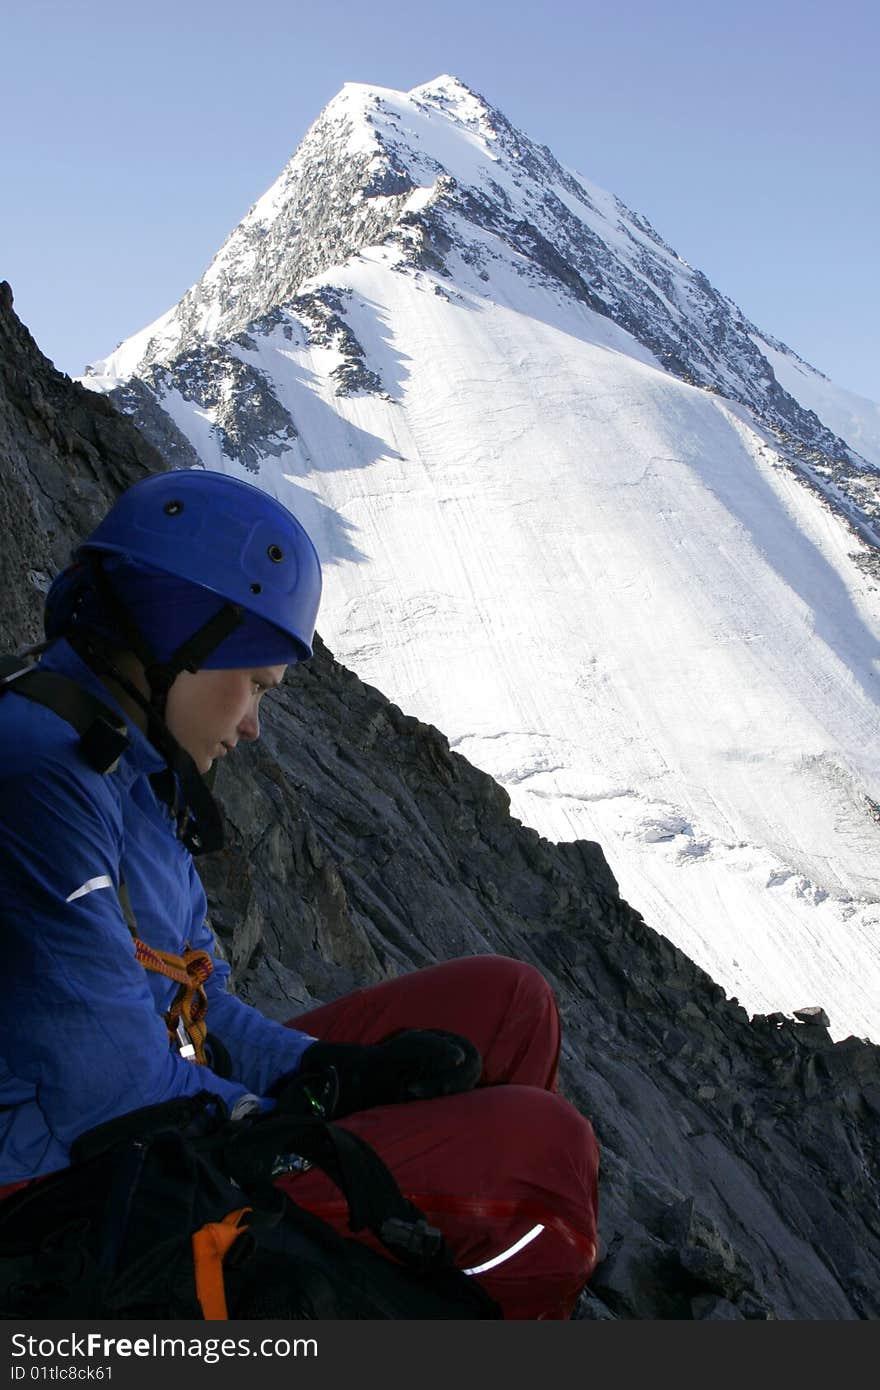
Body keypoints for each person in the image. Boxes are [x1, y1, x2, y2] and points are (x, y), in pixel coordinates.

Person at [0, 469, 599, 1319]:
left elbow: (203, 1003)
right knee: (547, 1157)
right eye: (255, 685)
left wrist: (325, 1071)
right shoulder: (40, 779)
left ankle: (408, 1265)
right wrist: (297, 1116)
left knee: (509, 1002)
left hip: (157, 1114)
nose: (252, 726)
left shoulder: (128, 762)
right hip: (74, 1190)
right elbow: (110, 1097)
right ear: (180, 639)